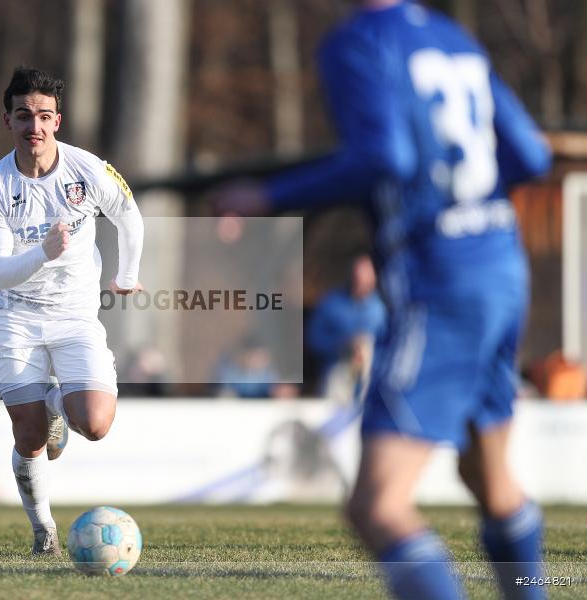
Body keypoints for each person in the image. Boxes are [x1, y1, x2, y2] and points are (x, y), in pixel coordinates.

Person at [217, 2, 551, 598]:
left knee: (377, 506)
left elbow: (385, 157)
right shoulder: (454, 38)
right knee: (490, 479)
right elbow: (531, 155)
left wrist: (268, 195)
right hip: (502, 264)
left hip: (439, 281)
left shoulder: (358, 43)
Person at [0, 67, 144, 556]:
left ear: (58, 121)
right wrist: (43, 254)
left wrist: (127, 275)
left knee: (94, 424)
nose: (35, 126)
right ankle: (43, 530)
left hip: (73, 315)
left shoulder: (87, 169)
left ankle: (56, 406)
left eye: (44, 116)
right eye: (24, 115)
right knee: (28, 435)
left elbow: (129, 214)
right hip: (14, 315)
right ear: (7, 121)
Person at [307, 255, 386, 401]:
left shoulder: (381, 309)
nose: (363, 284)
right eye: (359, 278)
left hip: (370, 380)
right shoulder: (331, 305)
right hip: (336, 377)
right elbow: (313, 340)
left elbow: (389, 344)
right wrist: (343, 344)